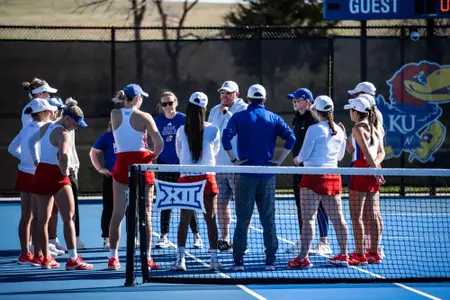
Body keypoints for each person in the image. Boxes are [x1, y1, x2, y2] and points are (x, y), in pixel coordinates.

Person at [222, 84, 295, 271]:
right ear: (264, 99)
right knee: (268, 219)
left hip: (245, 174)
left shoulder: (239, 117)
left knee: (243, 219)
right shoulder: (274, 117)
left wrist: (234, 160)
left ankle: (238, 261)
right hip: (267, 175)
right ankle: (270, 260)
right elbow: (291, 138)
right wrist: (278, 161)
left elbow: (225, 138)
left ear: (248, 99)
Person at [29, 98, 93, 270]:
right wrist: (65, 171)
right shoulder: (64, 133)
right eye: (76, 122)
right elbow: (63, 155)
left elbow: (30, 142)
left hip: (42, 172)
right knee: (69, 217)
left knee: (42, 219)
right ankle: (73, 259)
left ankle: (45, 259)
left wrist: (36, 161)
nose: (77, 126)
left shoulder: (45, 127)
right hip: (57, 176)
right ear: (66, 118)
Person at [288, 95, 349, 269]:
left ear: (315, 110)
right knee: (338, 218)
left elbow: (304, 155)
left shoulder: (313, 129)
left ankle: (302, 258)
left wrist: (297, 160)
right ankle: (344, 254)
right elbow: (339, 156)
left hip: (313, 176)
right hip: (332, 177)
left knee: (309, 219)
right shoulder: (339, 130)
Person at [108, 84, 164, 271]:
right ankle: (147, 258)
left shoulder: (114, 114)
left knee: (118, 213)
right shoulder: (144, 116)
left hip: (122, 164)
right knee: (145, 212)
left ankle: (113, 258)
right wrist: (153, 154)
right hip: (141, 165)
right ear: (138, 98)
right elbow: (159, 142)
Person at [173, 92, 222, 271]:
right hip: (207, 179)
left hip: (186, 179)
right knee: (211, 219)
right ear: (205, 108)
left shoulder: (181, 130)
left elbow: (180, 155)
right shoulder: (213, 129)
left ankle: (181, 260)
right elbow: (215, 151)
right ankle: (214, 260)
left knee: (184, 220)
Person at [8, 98, 56, 264]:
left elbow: (12, 148)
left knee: (26, 216)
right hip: (36, 175)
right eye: (48, 110)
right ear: (42, 113)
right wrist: (35, 162)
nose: (51, 112)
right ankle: (39, 255)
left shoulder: (26, 128)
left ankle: (25, 253)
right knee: (38, 217)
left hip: (24, 173)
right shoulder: (45, 128)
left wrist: (25, 159)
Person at [285, 88, 331, 256]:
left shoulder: (314, 120)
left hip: (311, 170)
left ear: (306, 101)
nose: (294, 103)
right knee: (301, 207)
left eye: (297, 100)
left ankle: (324, 241)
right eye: (294, 100)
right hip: (298, 170)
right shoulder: (296, 118)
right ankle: (304, 239)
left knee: (317, 207)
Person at [154, 91, 203, 249]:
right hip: (163, 166)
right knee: (165, 201)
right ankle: (164, 236)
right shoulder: (156, 122)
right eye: (164, 104)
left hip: (182, 166)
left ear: (176, 102)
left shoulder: (184, 119)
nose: (168, 106)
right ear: (161, 106)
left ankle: (196, 236)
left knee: (188, 201)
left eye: (170, 103)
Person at [342, 96, 385, 266]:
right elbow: (380, 152)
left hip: (361, 170)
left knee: (356, 216)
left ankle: (360, 254)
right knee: (372, 214)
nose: (350, 113)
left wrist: (372, 170)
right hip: (373, 168)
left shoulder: (358, 129)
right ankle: (373, 253)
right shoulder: (376, 128)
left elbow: (366, 153)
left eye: (350, 110)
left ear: (355, 112)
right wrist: (376, 168)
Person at [208, 81, 248, 252]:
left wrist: (228, 114)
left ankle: (242, 241)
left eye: (228, 93)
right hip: (218, 167)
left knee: (241, 206)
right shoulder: (214, 110)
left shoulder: (244, 110)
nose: (224, 95)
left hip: (238, 166)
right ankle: (224, 239)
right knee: (221, 204)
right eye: (222, 92)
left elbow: (241, 130)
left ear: (237, 94)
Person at [89, 122, 117, 249]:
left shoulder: (129, 136)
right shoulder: (106, 137)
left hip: (128, 177)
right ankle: (107, 237)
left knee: (131, 208)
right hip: (110, 177)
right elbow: (93, 152)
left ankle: (133, 237)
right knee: (109, 208)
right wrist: (100, 168)